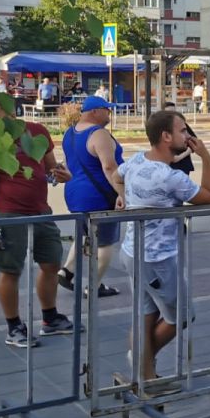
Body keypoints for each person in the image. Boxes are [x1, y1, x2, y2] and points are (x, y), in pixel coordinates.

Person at [113, 110, 210, 389]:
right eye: (183, 130)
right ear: (166, 136)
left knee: (145, 314)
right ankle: (141, 363)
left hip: (133, 251)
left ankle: (145, 376)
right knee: (181, 315)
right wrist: (205, 157)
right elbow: (209, 196)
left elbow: (116, 175)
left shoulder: (136, 160)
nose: (189, 135)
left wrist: (122, 197)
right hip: (156, 259)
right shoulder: (169, 177)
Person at [0, 100, 74, 348]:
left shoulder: (37, 132)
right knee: (10, 271)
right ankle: (14, 326)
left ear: (12, 113)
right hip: (8, 215)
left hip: (41, 212)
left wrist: (63, 175)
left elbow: (52, 169)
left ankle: (50, 318)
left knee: (51, 263)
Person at [59, 96, 124, 299]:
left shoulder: (69, 134)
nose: (109, 113)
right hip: (100, 196)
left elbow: (69, 164)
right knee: (105, 242)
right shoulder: (99, 134)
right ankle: (94, 285)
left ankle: (66, 272)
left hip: (75, 195)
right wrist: (123, 193)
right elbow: (109, 166)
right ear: (95, 111)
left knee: (85, 235)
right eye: (107, 109)